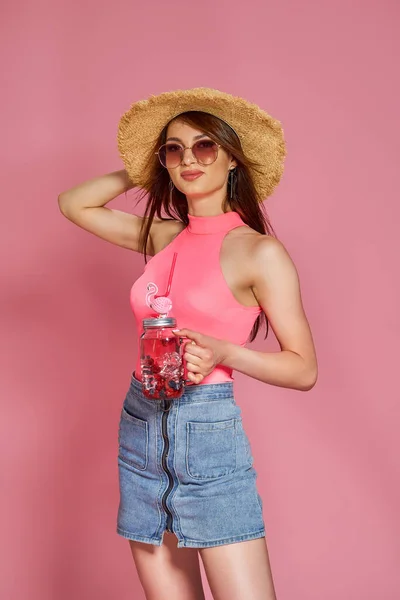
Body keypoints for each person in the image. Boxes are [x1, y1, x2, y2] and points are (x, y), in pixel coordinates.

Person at [58, 87, 318, 600]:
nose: (188, 159)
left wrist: (226, 354)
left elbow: (303, 369)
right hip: (142, 426)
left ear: (232, 161)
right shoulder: (164, 236)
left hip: (207, 430)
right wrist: (147, 167)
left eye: (204, 147)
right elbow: (73, 204)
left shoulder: (259, 253)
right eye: (173, 150)